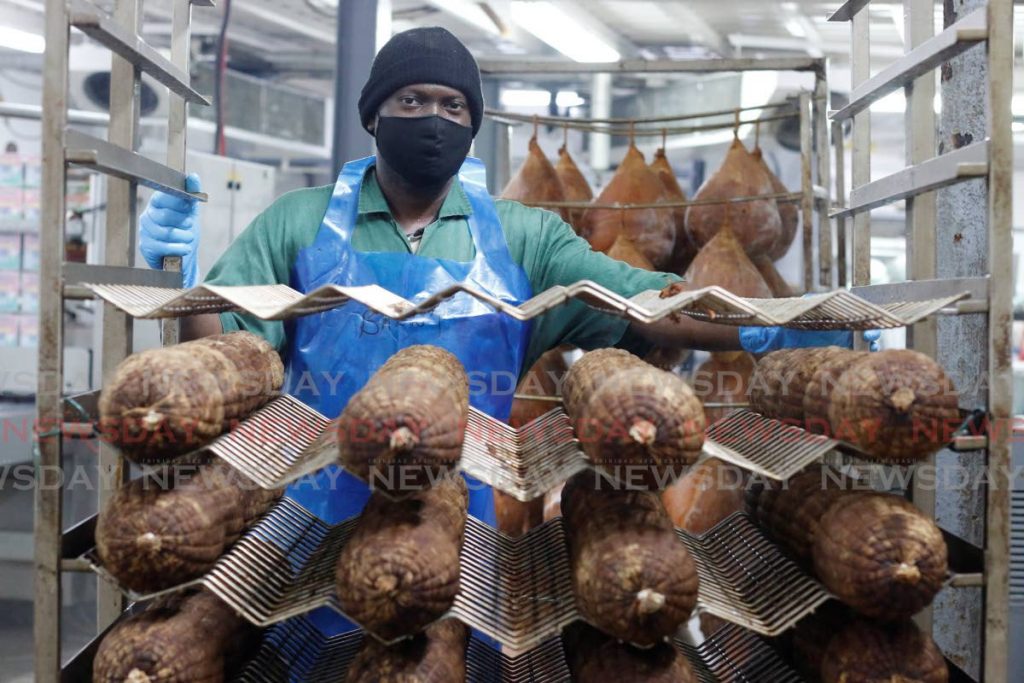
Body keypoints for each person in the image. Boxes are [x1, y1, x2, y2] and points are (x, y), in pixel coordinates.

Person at [138, 26, 870, 644]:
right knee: (305, 659)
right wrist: (190, 280)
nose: (432, 117)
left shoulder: (523, 238)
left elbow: (648, 303)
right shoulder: (298, 221)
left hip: (463, 527)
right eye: (411, 100)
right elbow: (230, 351)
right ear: (374, 115)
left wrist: (770, 328)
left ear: (472, 122)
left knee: (445, 657)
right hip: (314, 521)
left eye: (452, 105)